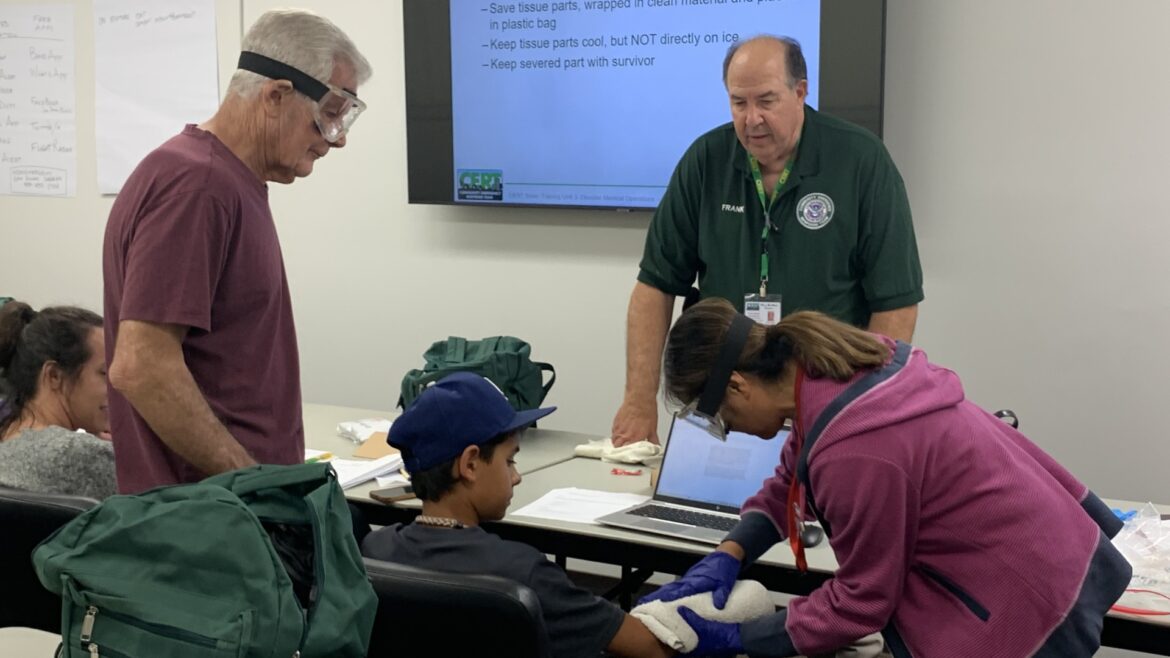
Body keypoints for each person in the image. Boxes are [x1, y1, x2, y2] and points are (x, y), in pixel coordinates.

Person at [638, 298, 1131, 657]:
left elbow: (860, 602)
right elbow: (792, 477)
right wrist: (730, 554)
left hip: (1024, 591)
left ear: (739, 386)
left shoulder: (855, 449)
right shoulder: (825, 370)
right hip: (1048, 547)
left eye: (721, 420)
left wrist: (742, 639)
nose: (732, 431)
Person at [102, 9, 372, 493]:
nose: (338, 139)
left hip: (224, 512)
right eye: (330, 114)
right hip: (210, 525)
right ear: (276, 95)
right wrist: (253, 483)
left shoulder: (222, 180)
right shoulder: (198, 185)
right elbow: (142, 366)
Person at [613, 35, 923, 447]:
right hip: (725, 398)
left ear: (800, 91)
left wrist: (865, 409)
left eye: (766, 101)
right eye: (739, 103)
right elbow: (654, 287)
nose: (752, 119)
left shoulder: (862, 161)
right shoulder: (706, 160)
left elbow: (895, 304)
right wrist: (638, 400)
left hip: (825, 400)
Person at [361, 372, 673, 658]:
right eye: (510, 460)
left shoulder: (374, 551)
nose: (516, 477)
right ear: (470, 464)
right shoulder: (523, 572)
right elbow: (651, 647)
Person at [0, 302, 116, 499]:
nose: (116, 389)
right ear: (53, 375)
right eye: (104, 373)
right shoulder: (82, 456)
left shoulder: (7, 440)